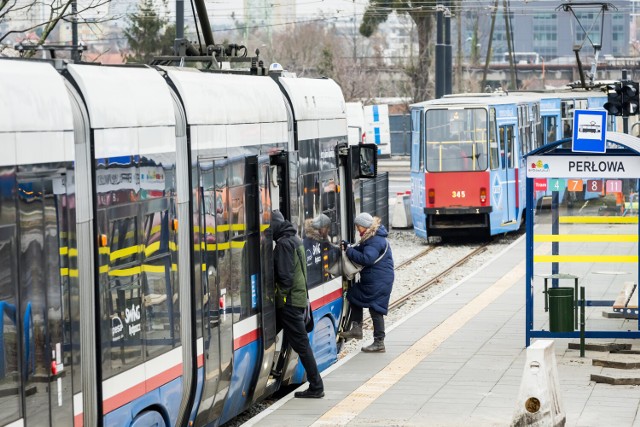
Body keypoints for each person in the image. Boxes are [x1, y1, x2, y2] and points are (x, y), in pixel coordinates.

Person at [271, 210, 324, 398]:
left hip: (290, 303)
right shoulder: (296, 240)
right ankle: (271, 368)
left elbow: (285, 278)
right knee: (269, 334)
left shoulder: (284, 244)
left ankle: (317, 386)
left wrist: (279, 300)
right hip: (298, 300)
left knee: (302, 345)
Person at [339, 212, 394, 353]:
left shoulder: (375, 240)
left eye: (358, 226)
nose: (357, 229)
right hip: (378, 279)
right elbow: (362, 250)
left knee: (375, 309)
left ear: (364, 226)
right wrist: (349, 246)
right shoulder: (373, 237)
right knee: (355, 296)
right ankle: (359, 330)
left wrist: (350, 251)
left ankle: (378, 342)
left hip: (378, 280)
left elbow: (367, 258)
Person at [303, 213, 340, 285]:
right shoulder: (310, 242)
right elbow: (326, 258)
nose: (328, 230)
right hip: (314, 284)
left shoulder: (322, 239)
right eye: (327, 227)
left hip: (321, 281)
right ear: (322, 228)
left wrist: (338, 249)